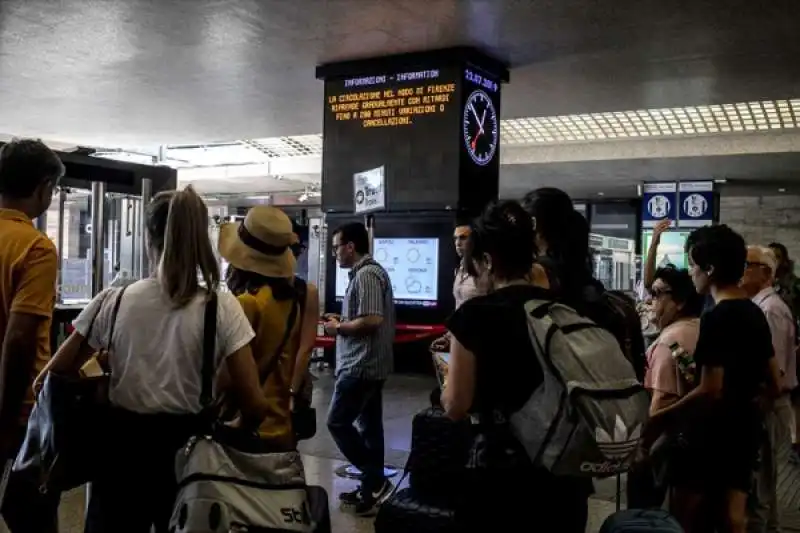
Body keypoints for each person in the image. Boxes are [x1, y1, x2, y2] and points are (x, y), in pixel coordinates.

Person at [39, 187, 271, 533]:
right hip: (189, 461)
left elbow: (52, 376)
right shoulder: (221, 307)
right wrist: (229, 429)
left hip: (118, 457)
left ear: (148, 238)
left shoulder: (113, 301)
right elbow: (254, 404)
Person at [444, 200, 591, 533]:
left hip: (502, 475)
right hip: (564, 474)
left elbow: (455, 405)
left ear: (487, 260)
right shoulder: (562, 308)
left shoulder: (474, 316)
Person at [647, 225, 781, 533]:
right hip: (745, 430)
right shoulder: (753, 311)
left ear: (709, 269)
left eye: (693, 266)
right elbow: (774, 381)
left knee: (689, 516)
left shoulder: (716, 317)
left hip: (711, 433)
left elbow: (710, 389)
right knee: (735, 518)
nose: (691, 274)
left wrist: (660, 416)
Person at [0, 139, 63, 533]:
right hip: (20, 409)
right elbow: (20, 338)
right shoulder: (36, 248)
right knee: (34, 516)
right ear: (43, 187)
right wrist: (6, 422)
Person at [217, 206, 317, 449]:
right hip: (282, 425)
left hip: (246, 429)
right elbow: (304, 349)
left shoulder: (247, 304)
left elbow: (226, 379)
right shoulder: (295, 300)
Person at [323, 222, 395, 515]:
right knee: (369, 428)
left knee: (337, 422)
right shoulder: (368, 273)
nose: (334, 254)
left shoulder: (366, 275)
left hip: (361, 365)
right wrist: (341, 318)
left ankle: (374, 479)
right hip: (370, 363)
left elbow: (372, 320)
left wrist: (338, 328)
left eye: (336, 247)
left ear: (350, 246)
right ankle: (372, 488)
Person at [632, 267, 704, 510]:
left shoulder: (668, 343)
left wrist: (639, 445)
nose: (651, 301)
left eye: (658, 293)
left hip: (669, 451)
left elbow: (662, 402)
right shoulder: (700, 328)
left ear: (681, 301)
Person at [741, 245, 796, 533]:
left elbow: (774, 372)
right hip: (768, 404)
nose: (741, 270)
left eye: (746, 264)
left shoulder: (770, 310)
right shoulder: (761, 307)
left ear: (765, 272)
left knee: (760, 490)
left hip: (769, 405)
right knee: (764, 487)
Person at [430, 219, 483, 353]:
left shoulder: (486, 270)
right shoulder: (459, 269)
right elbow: (459, 307)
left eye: (463, 238)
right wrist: (449, 337)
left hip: (478, 341)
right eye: (455, 239)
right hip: (460, 339)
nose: (458, 243)